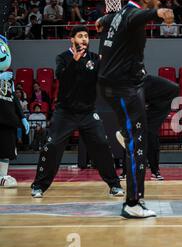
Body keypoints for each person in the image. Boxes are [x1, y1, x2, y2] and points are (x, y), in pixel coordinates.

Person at [96, 0, 174, 218]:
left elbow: (110, 20)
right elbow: (139, 17)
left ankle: (134, 130)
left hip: (134, 80)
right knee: (137, 144)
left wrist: (103, 21)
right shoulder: (132, 13)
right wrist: (158, 14)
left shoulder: (118, 14)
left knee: (169, 89)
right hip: (122, 87)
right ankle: (132, 203)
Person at [30, 26, 124, 198]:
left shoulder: (95, 58)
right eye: (80, 36)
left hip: (88, 113)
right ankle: (38, 186)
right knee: (51, 146)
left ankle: (114, 185)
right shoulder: (63, 58)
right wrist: (74, 61)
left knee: (102, 145)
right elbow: (62, 79)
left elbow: (105, 77)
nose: (84, 39)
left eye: (86, 36)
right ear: (72, 39)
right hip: (65, 113)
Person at [0, 35, 30, 187]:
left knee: (5, 151)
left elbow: (14, 98)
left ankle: (3, 176)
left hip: (7, 118)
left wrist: (23, 117)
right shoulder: (3, 76)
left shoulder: (9, 79)